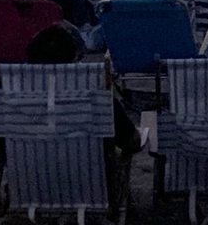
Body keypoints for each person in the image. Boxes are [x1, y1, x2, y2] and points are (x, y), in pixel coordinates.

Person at [24, 24, 141, 154]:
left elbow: (2, 148)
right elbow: (132, 143)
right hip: (89, 171)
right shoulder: (94, 91)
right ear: (74, 61)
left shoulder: (12, 92)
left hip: (26, 171)